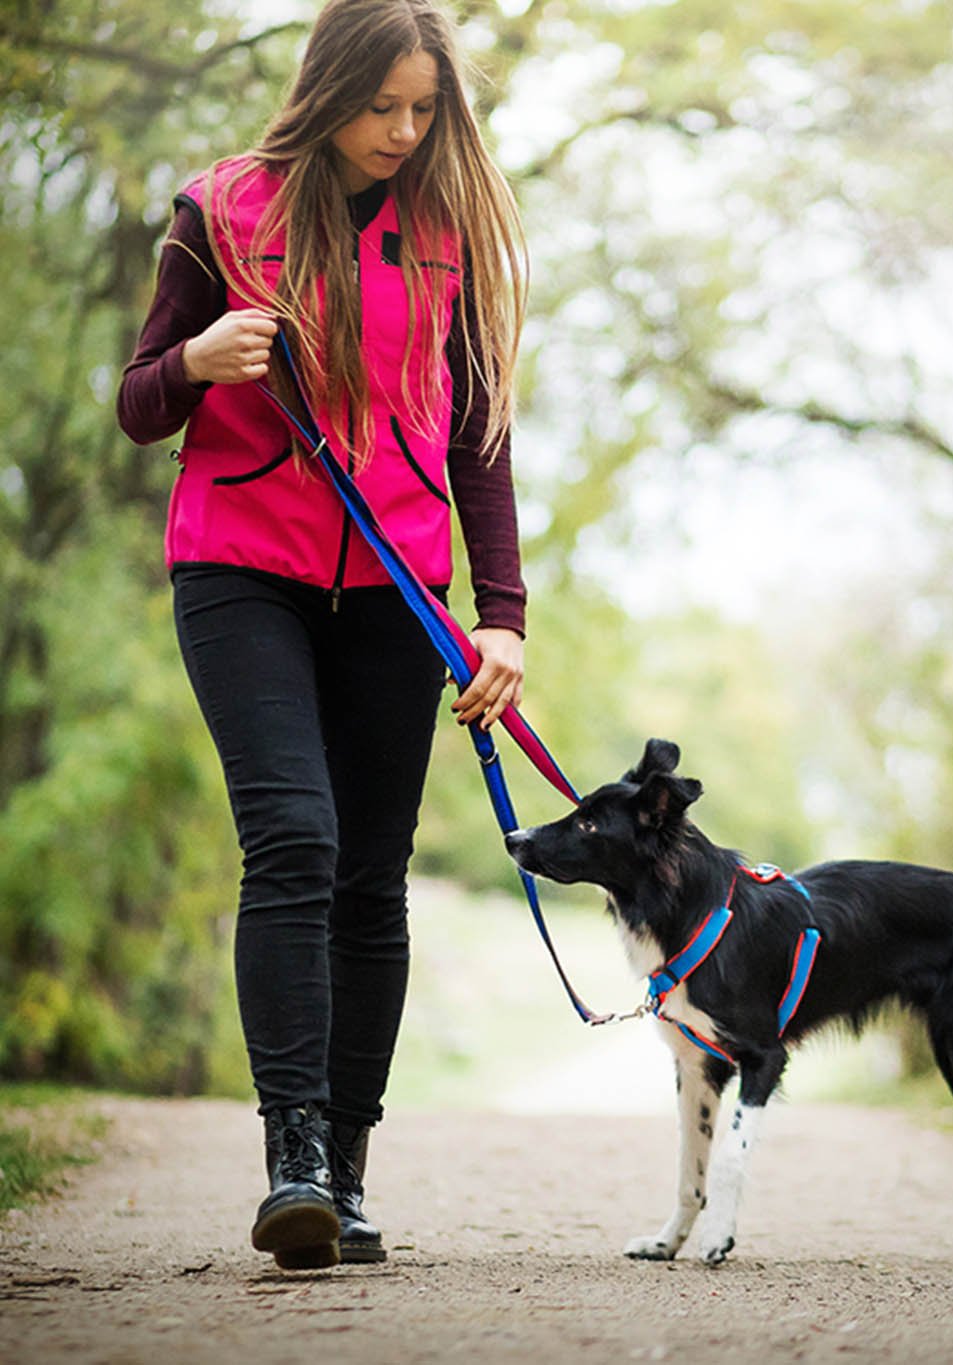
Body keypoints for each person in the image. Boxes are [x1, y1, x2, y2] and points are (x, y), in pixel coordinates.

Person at [117, 0, 528, 1270]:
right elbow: (137, 405)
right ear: (327, 88)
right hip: (244, 568)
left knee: (371, 875)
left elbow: (478, 439)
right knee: (293, 834)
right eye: (381, 106)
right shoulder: (222, 212)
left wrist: (500, 617)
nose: (403, 131)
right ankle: (289, 1155)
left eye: (423, 108)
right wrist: (195, 357)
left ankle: (345, 1175)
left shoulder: (447, 236)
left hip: (397, 589)